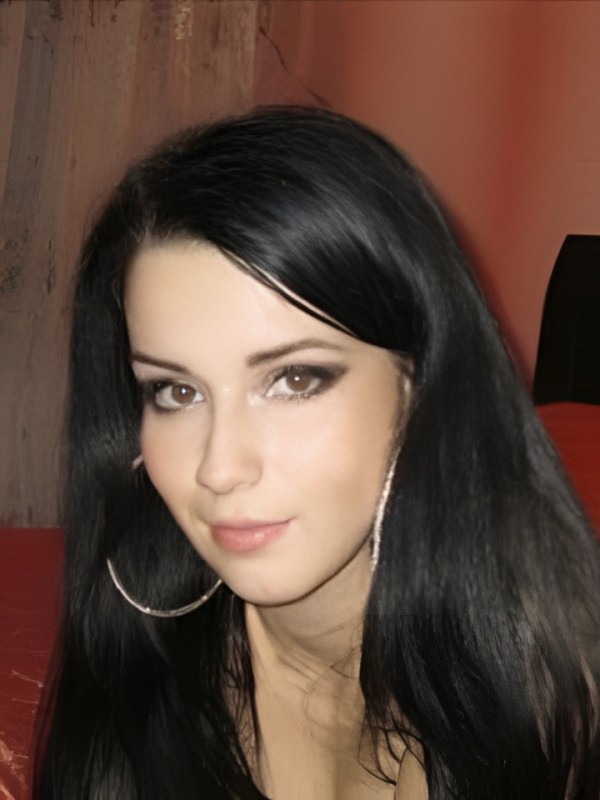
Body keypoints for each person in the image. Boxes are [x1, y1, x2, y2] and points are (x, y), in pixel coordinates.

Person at [34, 107, 600, 800]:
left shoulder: (555, 708)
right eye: (176, 392)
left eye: (295, 379)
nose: (219, 468)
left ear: (419, 384)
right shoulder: (135, 656)